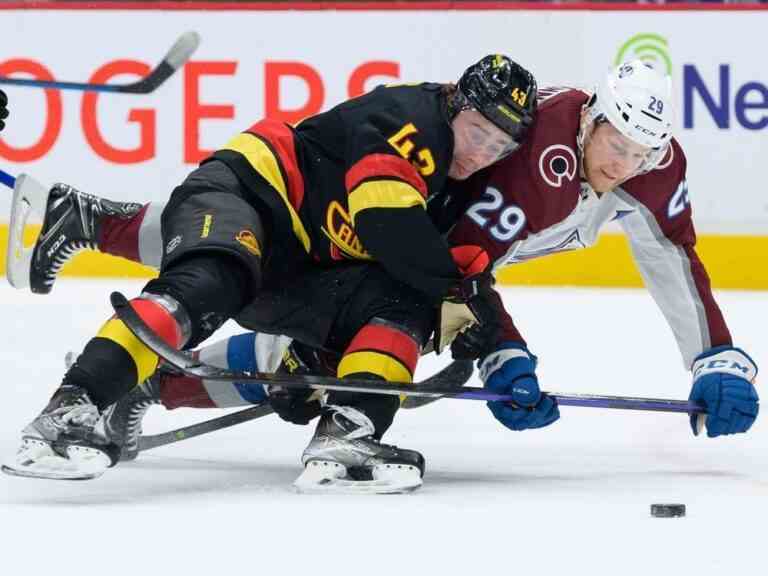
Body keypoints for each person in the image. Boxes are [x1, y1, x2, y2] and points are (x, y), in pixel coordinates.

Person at [9, 60, 760, 486]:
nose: (625, 163)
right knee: (223, 273)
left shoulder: (636, 167)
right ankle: (78, 399)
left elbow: (673, 255)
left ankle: (312, 422)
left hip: (330, 241)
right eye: (616, 141)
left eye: (643, 151)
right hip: (280, 196)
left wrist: (714, 356)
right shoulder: (494, 154)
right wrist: (498, 346)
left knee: (333, 327)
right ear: (592, 116)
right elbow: (424, 250)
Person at [3, 54, 540, 491]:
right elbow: (388, 226)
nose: (482, 153)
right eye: (478, 132)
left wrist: (496, 345)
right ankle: (70, 408)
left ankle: (348, 428)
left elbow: (456, 276)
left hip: (302, 262)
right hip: (254, 193)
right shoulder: (414, 120)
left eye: (500, 146)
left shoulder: (462, 187)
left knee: (408, 308)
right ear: (454, 102)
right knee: (213, 277)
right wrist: (460, 308)